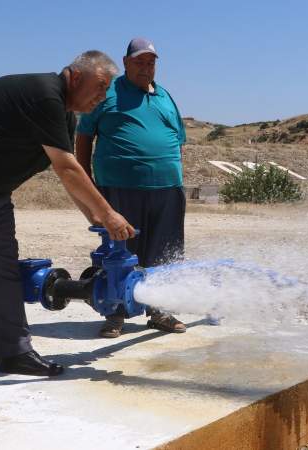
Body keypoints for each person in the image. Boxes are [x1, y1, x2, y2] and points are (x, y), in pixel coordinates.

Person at [0, 50, 136, 394]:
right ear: (76, 77)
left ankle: (16, 352)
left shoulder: (65, 117)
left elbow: (68, 176)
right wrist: (108, 214)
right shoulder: (45, 94)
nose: (102, 96)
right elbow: (67, 168)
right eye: (101, 86)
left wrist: (95, 219)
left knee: (3, 271)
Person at [76, 38, 187, 338]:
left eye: (151, 62)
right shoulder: (108, 92)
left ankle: (161, 310)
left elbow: (178, 141)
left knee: (165, 253)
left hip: (167, 190)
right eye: (139, 62)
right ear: (125, 63)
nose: (145, 67)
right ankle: (116, 312)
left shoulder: (165, 96)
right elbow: (84, 136)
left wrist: (173, 173)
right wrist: (86, 182)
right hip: (119, 188)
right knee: (121, 250)